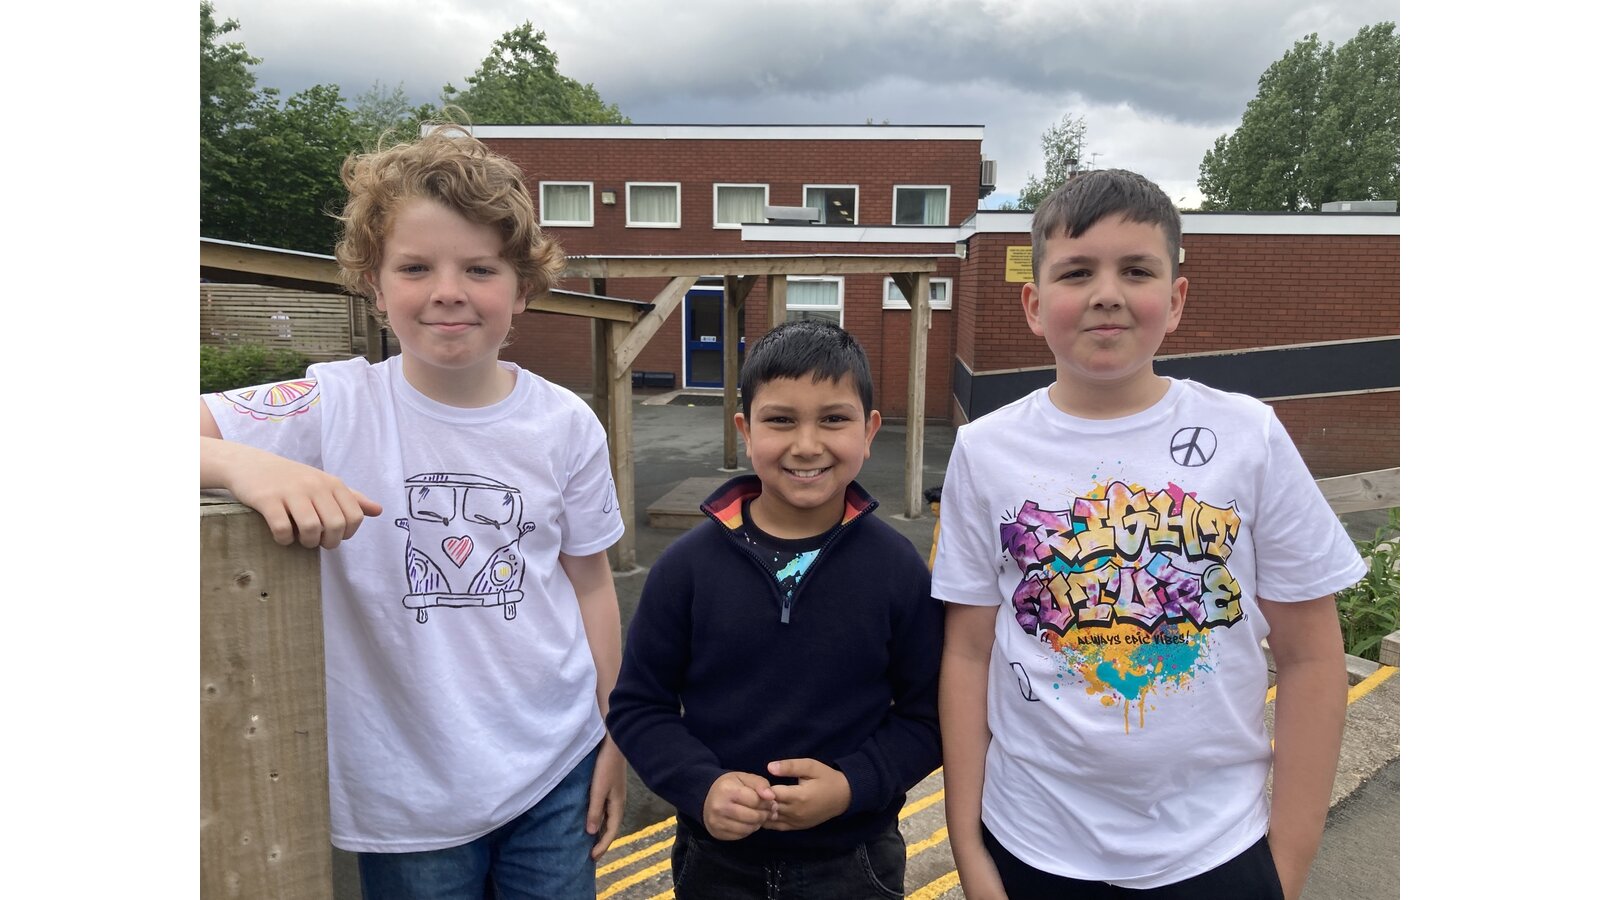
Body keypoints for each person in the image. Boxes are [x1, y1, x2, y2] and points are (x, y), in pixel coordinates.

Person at [199, 124, 627, 900]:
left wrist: (617, 735)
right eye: (416, 266)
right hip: (408, 793)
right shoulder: (332, 404)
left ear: (522, 287)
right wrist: (241, 462)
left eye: (480, 268)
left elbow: (591, 585)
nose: (448, 290)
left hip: (557, 764)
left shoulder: (566, 423)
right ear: (375, 284)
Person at [933, 169, 1364, 900]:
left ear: (1176, 299)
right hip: (1030, 842)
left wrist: (1287, 864)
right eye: (1077, 271)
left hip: (1216, 847)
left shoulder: (1249, 436)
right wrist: (968, 849)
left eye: (1136, 270)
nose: (1107, 293)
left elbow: (1312, 658)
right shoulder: (985, 450)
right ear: (1034, 304)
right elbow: (968, 653)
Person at [607, 319, 943, 899]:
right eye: (781, 419)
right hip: (716, 863)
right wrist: (701, 787)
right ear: (745, 430)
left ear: (869, 431)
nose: (806, 444)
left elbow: (929, 715)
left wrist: (851, 785)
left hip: (854, 860)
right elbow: (639, 705)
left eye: (833, 419)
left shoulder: (896, 568)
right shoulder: (687, 567)